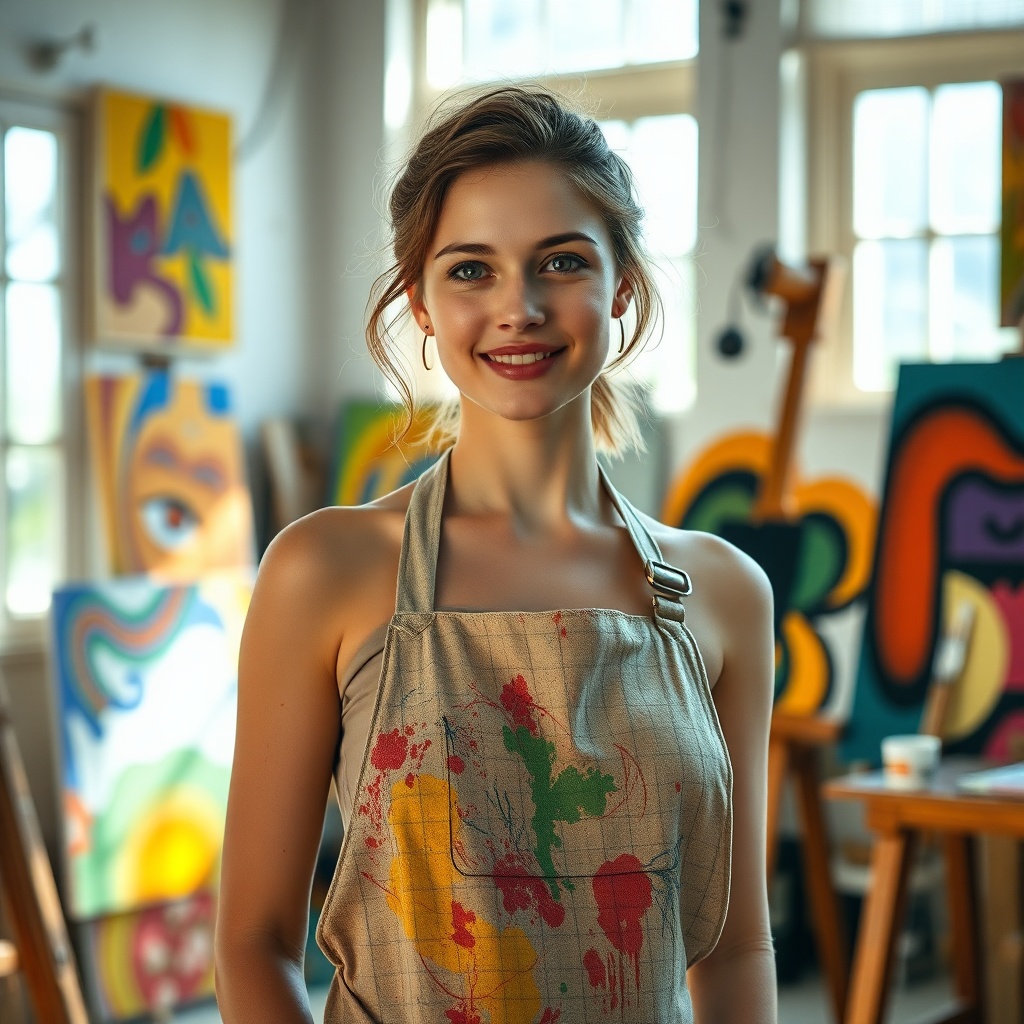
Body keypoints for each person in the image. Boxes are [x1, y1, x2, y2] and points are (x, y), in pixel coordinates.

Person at [215, 85, 777, 1024]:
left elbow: (734, 949)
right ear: (421, 303)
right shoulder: (325, 570)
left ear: (621, 286)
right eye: (472, 270)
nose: (519, 307)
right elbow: (253, 945)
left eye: (561, 261)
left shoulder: (722, 593)